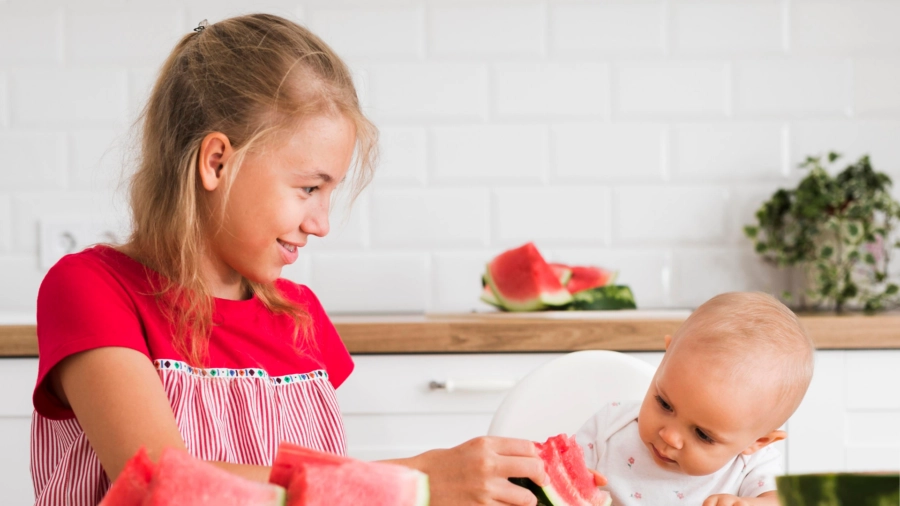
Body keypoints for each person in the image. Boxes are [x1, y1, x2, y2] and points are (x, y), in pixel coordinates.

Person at [30, 14, 548, 506]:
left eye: (330, 194)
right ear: (217, 162)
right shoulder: (91, 288)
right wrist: (420, 482)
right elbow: (164, 483)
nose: (321, 222)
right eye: (308, 188)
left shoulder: (299, 316)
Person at [576, 292, 815, 506]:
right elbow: (558, 483)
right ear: (665, 358)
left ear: (757, 441)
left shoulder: (752, 464)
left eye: (702, 434)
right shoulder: (609, 426)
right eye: (664, 404)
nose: (669, 436)